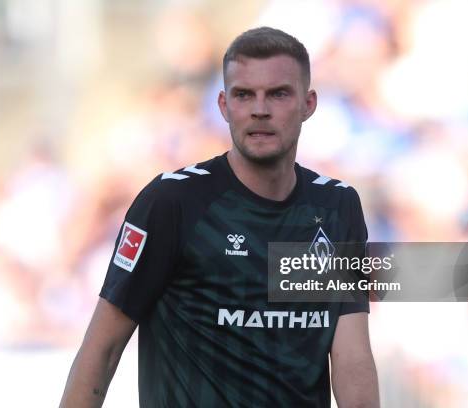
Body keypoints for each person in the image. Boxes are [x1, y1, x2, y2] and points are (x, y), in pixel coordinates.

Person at [60, 27, 379, 408]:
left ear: (308, 104)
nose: (260, 109)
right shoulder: (172, 203)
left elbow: (351, 356)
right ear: (224, 106)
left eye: (278, 93)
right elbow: (102, 350)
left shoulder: (335, 206)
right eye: (245, 95)